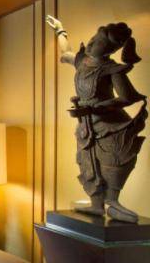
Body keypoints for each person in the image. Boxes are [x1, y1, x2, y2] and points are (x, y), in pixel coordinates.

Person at [46, 15, 147, 222]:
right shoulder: (83, 61)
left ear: (109, 49)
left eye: (98, 42)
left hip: (110, 123)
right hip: (86, 124)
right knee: (87, 162)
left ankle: (113, 201)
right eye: (93, 38)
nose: (92, 43)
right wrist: (60, 30)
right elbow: (65, 53)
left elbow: (127, 97)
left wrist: (100, 106)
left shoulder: (112, 69)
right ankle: (96, 204)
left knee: (114, 159)